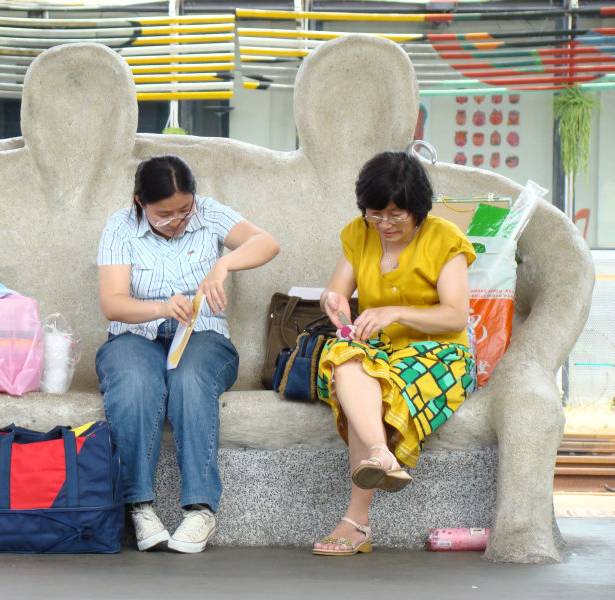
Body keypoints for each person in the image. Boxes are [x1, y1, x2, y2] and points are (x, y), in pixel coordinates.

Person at [95, 154, 279, 553]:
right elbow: (113, 303)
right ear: (141, 202)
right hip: (135, 335)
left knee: (189, 380)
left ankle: (200, 510)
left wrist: (223, 265)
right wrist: (161, 308)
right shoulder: (120, 226)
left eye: (184, 210)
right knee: (136, 384)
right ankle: (140, 507)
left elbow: (267, 243)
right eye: (165, 214)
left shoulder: (208, 214)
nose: (177, 221)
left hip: (203, 336)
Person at [311, 150, 476, 556]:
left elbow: (455, 316)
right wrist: (332, 302)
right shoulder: (358, 233)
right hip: (378, 349)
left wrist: (395, 311)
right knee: (344, 358)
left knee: (372, 386)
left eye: (395, 216)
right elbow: (334, 291)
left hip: (440, 354)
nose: (384, 225)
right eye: (375, 214)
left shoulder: (445, 239)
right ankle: (382, 454)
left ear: (418, 211)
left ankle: (356, 522)